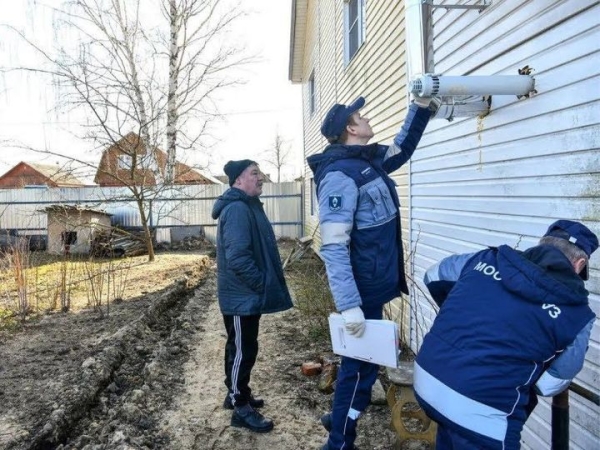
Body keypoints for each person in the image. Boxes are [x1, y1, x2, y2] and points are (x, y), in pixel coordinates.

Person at [307, 95, 435, 450]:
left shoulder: (366, 161)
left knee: (367, 363)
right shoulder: (338, 176)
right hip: (360, 293)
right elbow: (333, 245)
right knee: (356, 368)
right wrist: (348, 305)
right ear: (350, 128)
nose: (365, 119)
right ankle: (338, 441)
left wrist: (420, 107)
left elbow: (400, 149)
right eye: (360, 116)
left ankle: (338, 417)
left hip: (374, 288)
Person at [414, 219, 598, 449]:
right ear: (580, 264)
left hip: (427, 382)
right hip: (482, 413)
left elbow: (433, 276)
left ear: (542, 244)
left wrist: (472, 320)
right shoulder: (578, 313)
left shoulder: (488, 260)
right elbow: (550, 385)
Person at [211, 159, 293, 433]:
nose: (261, 178)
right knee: (242, 349)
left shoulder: (247, 206)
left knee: (243, 346)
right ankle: (239, 407)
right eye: (255, 173)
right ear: (238, 181)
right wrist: (261, 283)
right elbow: (237, 257)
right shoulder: (236, 209)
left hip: (246, 296)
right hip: (240, 296)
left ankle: (237, 392)